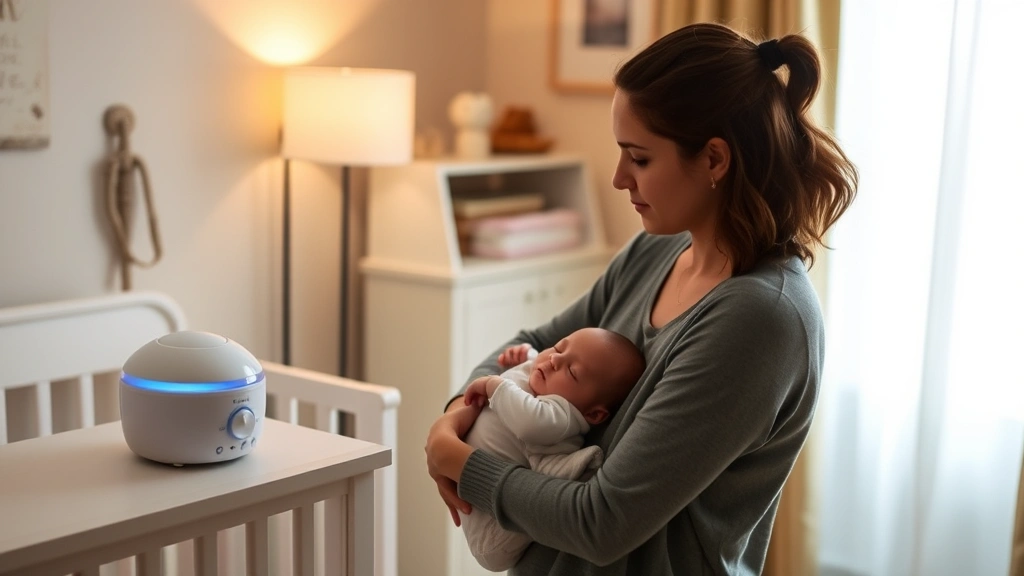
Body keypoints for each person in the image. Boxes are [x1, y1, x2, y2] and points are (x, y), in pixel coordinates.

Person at [426, 21, 858, 575]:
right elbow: (535, 344)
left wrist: (463, 464)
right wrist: (459, 414)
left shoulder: (758, 318)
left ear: (714, 161)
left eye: (640, 157)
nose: (617, 178)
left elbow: (602, 522)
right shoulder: (657, 252)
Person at [458, 328, 646, 571]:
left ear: (594, 414)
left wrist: (495, 385)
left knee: (545, 477)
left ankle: (572, 470)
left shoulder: (563, 413)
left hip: (494, 541)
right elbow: (532, 375)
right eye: (559, 347)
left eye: (571, 371)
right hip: (477, 496)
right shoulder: (546, 382)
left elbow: (528, 420)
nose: (554, 360)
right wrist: (527, 357)